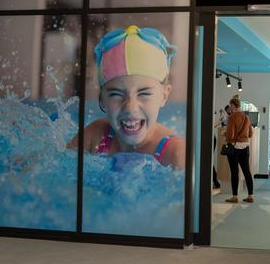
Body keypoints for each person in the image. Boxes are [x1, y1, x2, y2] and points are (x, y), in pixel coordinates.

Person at [68, 25, 185, 170]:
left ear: (164, 95)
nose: (130, 107)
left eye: (144, 93)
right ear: (103, 98)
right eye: (116, 94)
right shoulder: (95, 136)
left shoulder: (176, 154)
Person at [224, 97, 254, 203]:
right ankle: (250, 195)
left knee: (234, 172)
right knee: (247, 171)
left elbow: (230, 134)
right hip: (245, 146)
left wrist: (225, 135)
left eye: (230, 105)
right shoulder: (247, 117)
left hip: (234, 147)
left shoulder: (232, 117)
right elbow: (250, 134)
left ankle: (235, 196)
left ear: (233, 105)